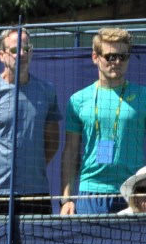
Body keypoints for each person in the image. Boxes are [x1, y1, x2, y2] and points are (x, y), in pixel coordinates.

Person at [0, 28, 62, 216]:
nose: (22, 54)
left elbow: (52, 143)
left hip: (36, 193)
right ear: (1, 55)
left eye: (27, 48)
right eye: (15, 50)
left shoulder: (47, 91)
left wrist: (30, 169)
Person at [60, 27, 145, 216]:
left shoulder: (143, 97)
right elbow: (71, 151)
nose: (117, 62)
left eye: (123, 56)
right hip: (91, 192)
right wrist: (66, 199)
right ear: (95, 57)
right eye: (110, 56)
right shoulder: (78, 100)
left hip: (134, 191)